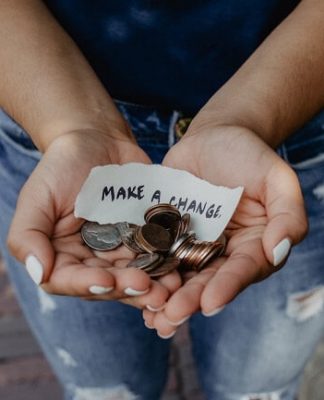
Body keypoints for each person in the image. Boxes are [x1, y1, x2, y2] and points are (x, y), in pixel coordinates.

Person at [0, 1, 323, 399]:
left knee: (258, 392)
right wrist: (73, 128)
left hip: (290, 119)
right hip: (48, 120)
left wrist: (246, 119)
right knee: (103, 392)